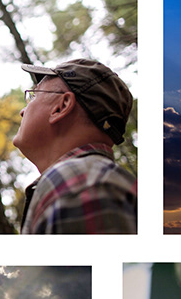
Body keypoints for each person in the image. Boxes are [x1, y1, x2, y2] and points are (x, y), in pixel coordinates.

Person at [13, 58, 136, 233]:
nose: (22, 111)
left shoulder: (79, 182)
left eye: (33, 96)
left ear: (61, 107)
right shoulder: (95, 179)